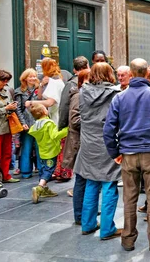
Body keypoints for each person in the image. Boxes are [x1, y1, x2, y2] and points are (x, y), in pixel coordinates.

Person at [103, 58, 150, 252]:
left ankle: (128, 239)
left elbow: (108, 128)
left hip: (128, 152)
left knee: (129, 197)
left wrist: (114, 151)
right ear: (145, 74)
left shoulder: (119, 97)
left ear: (132, 74)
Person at [73, 63, 121, 239]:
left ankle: (88, 223)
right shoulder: (115, 94)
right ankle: (107, 228)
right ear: (110, 74)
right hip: (107, 142)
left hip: (88, 143)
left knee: (91, 183)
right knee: (109, 184)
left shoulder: (82, 92)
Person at [28, 103, 69, 203]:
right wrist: (67, 129)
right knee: (49, 170)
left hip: (42, 152)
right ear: (44, 112)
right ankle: (39, 187)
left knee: (43, 170)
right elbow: (55, 135)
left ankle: (44, 190)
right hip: (51, 151)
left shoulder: (35, 125)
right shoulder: (49, 123)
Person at [66, 68, 90, 223]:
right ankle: (79, 215)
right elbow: (75, 120)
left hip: (86, 140)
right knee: (81, 180)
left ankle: (87, 210)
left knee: (89, 180)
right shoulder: (78, 95)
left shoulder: (85, 94)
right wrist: (93, 121)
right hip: (79, 142)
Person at [0, 70, 24, 183]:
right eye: (3, 80)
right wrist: (5, 109)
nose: (5, 83)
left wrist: (12, 107)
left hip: (8, 127)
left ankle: (5, 175)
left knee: (7, 153)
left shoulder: (7, 91)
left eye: (7, 81)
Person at [14, 69, 40, 179]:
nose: (33, 78)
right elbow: (18, 109)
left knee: (40, 149)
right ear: (25, 78)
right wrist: (22, 123)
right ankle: (26, 171)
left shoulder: (40, 89)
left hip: (39, 122)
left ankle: (41, 170)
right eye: (30, 76)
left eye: (34, 76)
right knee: (26, 148)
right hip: (27, 123)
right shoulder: (19, 91)